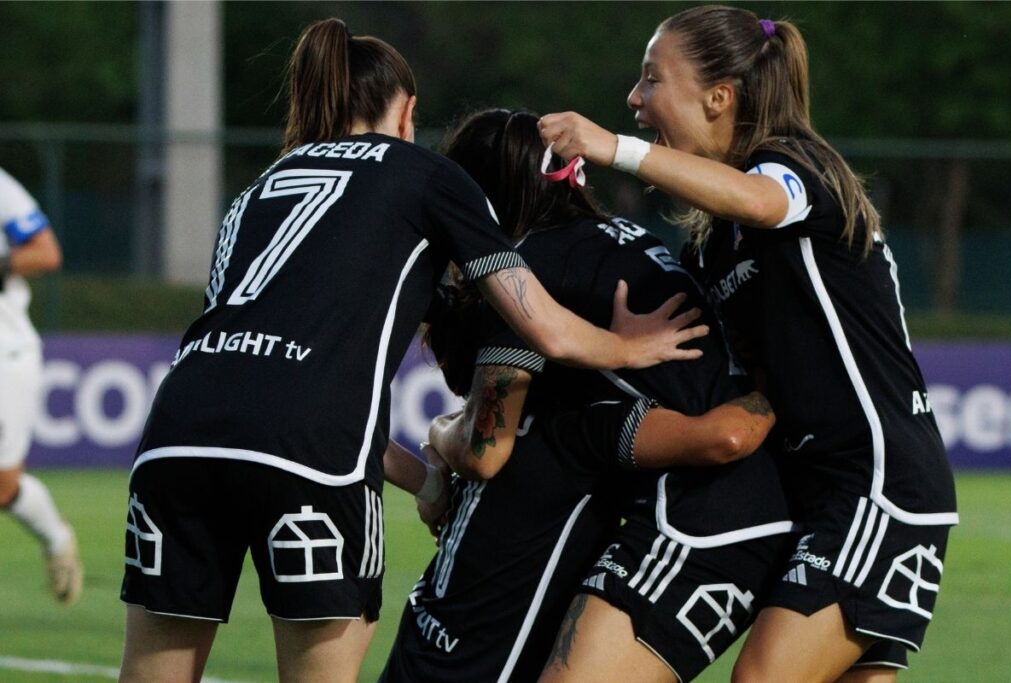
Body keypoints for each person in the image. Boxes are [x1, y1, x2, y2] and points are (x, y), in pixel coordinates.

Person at [117, 20, 704, 683]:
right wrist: (628, 346)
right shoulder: (425, 174)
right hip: (308, 455)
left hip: (172, 437)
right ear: (407, 111)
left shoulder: (258, 191)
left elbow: (265, 388)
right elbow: (547, 328)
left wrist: (425, 478)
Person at [537, 5, 958, 681]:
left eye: (652, 80)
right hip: (818, 494)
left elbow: (761, 201)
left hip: (874, 483)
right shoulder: (712, 241)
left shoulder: (794, 165)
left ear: (718, 96)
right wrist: (622, 349)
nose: (635, 100)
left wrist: (612, 146)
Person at [381, 109, 793, 683]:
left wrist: (436, 433)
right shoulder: (621, 239)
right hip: (710, 489)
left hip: (706, 512)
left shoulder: (527, 272)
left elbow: (484, 448)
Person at [0, 166, 83, 605]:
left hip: (4, 352)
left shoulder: (0, 188)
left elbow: (45, 252)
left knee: (2, 486)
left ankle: (55, 538)